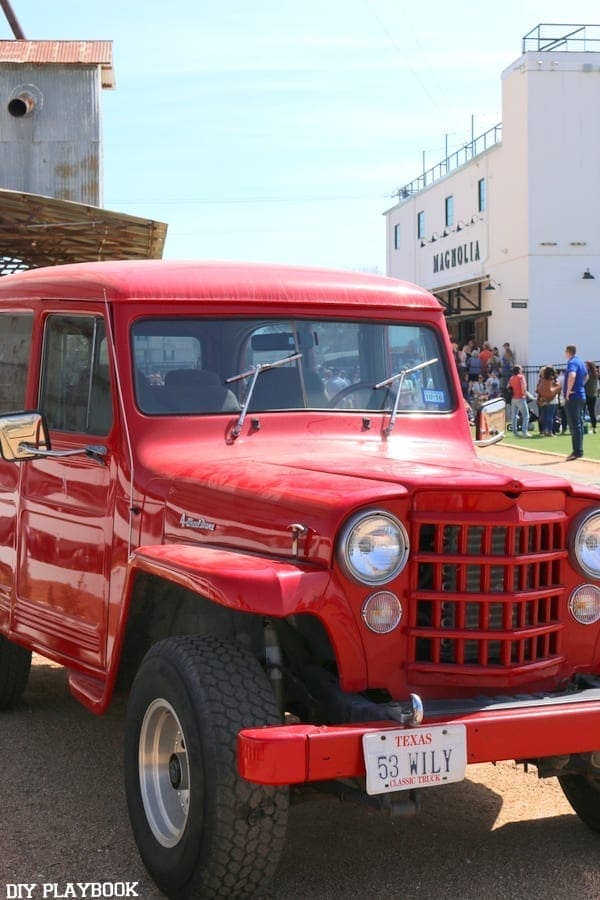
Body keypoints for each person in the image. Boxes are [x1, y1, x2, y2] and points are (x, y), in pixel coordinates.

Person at [563, 344, 588, 460]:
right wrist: (581, 386)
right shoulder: (581, 362)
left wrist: (568, 391)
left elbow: (572, 375)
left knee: (574, 425)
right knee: (579, 424)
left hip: (573, 397)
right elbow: (586, 376)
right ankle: (579, 450)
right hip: (581, 396)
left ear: (568, 352)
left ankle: (577, 451)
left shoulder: (572, 362)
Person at [535, 365, 561, 436]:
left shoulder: (543, 380)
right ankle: (550, 431)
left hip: (544, 400)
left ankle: (544, 430)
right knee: (551, 416)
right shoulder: (554, 380)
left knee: (544, 417)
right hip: (553, 400)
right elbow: (558, 389)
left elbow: (538, 389)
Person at [508, 364, 529, 437]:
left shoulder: (511, 378)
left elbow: (508, 387)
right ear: (519, 370)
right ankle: (524, 432)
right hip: (520, 397)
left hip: (513, 398)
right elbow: (523, 386)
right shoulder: (521, 377)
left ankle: (514, 432)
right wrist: (525, 394)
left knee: (514, 415)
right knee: (526, 415)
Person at [584, 361, 598, 434]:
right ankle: (594, 428)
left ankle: (582, 426)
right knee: (592, 412)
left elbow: (584, 383)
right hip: (593, 395)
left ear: (588, 366)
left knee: (582, 411)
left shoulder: (587, 374)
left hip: (586, 394)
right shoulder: (596, 374)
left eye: (585, 365)